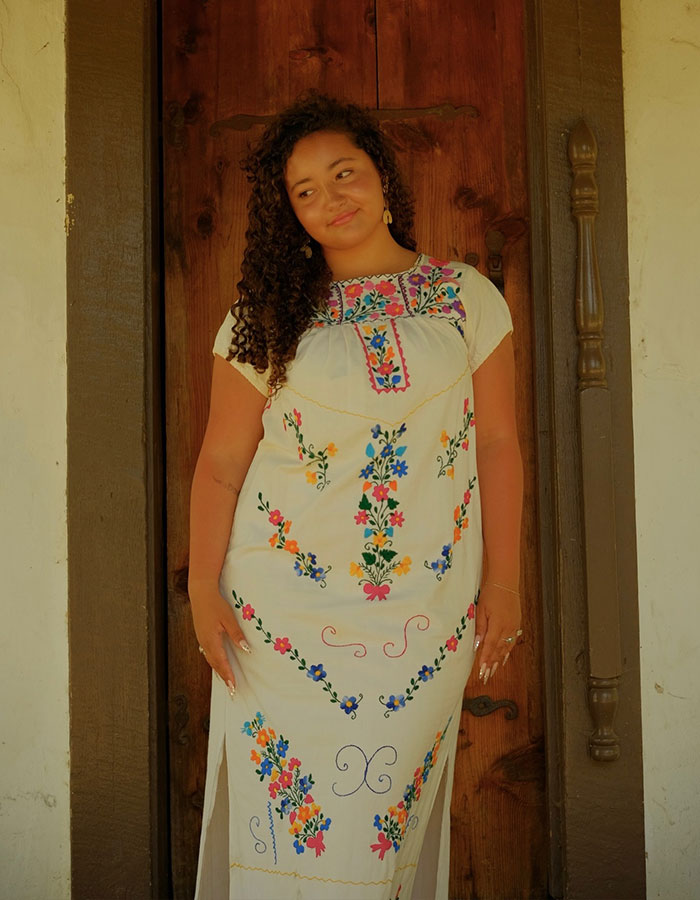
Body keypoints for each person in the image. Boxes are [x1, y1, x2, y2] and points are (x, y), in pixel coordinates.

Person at [188, 93, 523, 900]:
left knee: (379, 834)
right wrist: (200, 587)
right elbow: (222, 462)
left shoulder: (464, 297)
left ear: (382, 176)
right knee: (293, 833)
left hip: (424, 612)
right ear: (290, 213)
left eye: (344, 173)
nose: (330, 198)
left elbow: (497, 445)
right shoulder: (263, 319)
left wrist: (505, 583)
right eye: (305, 190)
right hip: (281, 617)